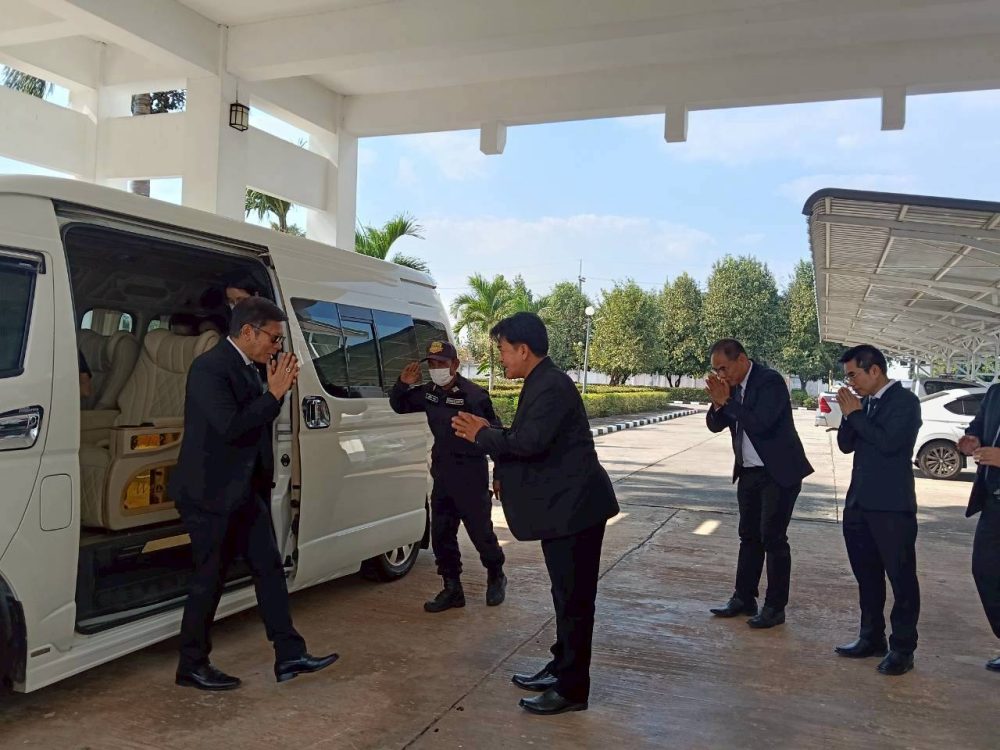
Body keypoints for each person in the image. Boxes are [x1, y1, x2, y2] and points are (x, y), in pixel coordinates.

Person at [452, 312, 618, 716]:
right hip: (564, 509)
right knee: (564, 595)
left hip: (576, 510)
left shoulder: (552, 386)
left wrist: (482, 434)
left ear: (523, 349)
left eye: (503, 350)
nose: (501, 358)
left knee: (575, 600)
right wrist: (496, 446)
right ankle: (561, 667)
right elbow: (525, 440)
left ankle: (572, 689)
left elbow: (529, 442)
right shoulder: (541, 382)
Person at [168, 297, 337, 690]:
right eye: (274, 338)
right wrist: (273, 395)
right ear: (248, 332)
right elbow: (231, 427)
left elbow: (257, 421)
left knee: (269, 569)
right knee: (209, 579)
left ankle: (289, 653)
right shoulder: (209, 368)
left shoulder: (250, 367)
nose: (277, 346)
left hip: (244, 491)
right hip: (210, 494)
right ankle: (191, 664)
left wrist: (275, 392)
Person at [390, 340, 507, 612]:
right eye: (431, 364)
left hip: (471, 475)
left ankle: (496, 574)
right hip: (443, 474)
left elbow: (497, 436)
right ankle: (452, 588)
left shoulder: (474, 395)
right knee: (442, 535)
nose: (436, 369)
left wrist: (499, 474)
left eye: (441, 363)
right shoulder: (428, 393)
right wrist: (403, 384)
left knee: (481, 534)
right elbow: (400, 405)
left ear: (455, 364)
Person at [705, 339, 813, 629]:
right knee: (748, 536)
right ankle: (744, 598)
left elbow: (761, 423)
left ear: (741, 360)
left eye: (724, 368)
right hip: (749, 472)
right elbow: (714, 425)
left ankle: (775, 607)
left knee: (772, 538)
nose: (721, 375)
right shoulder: (730, 388)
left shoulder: (769, 382)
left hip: (778, 473)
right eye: (716, 370)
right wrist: (718, 403)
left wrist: (728, 402)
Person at [834, 345, 922, 676]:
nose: (850, 382)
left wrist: (855, 414)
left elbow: (889, 444)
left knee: (901, 579)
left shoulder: (905, 402)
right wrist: (850, 415)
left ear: (875, 370)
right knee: (867, 577)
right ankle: (871, 637)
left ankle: (903, 648)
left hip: (891, 507)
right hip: (859, 504)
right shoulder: (865, 402)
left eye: (853, 375)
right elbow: (846, 445)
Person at [958, 381, 1000, 673]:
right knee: (984, 570)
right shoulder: (996, 392)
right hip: (994, 501)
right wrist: (970, 441)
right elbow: (978, 428)